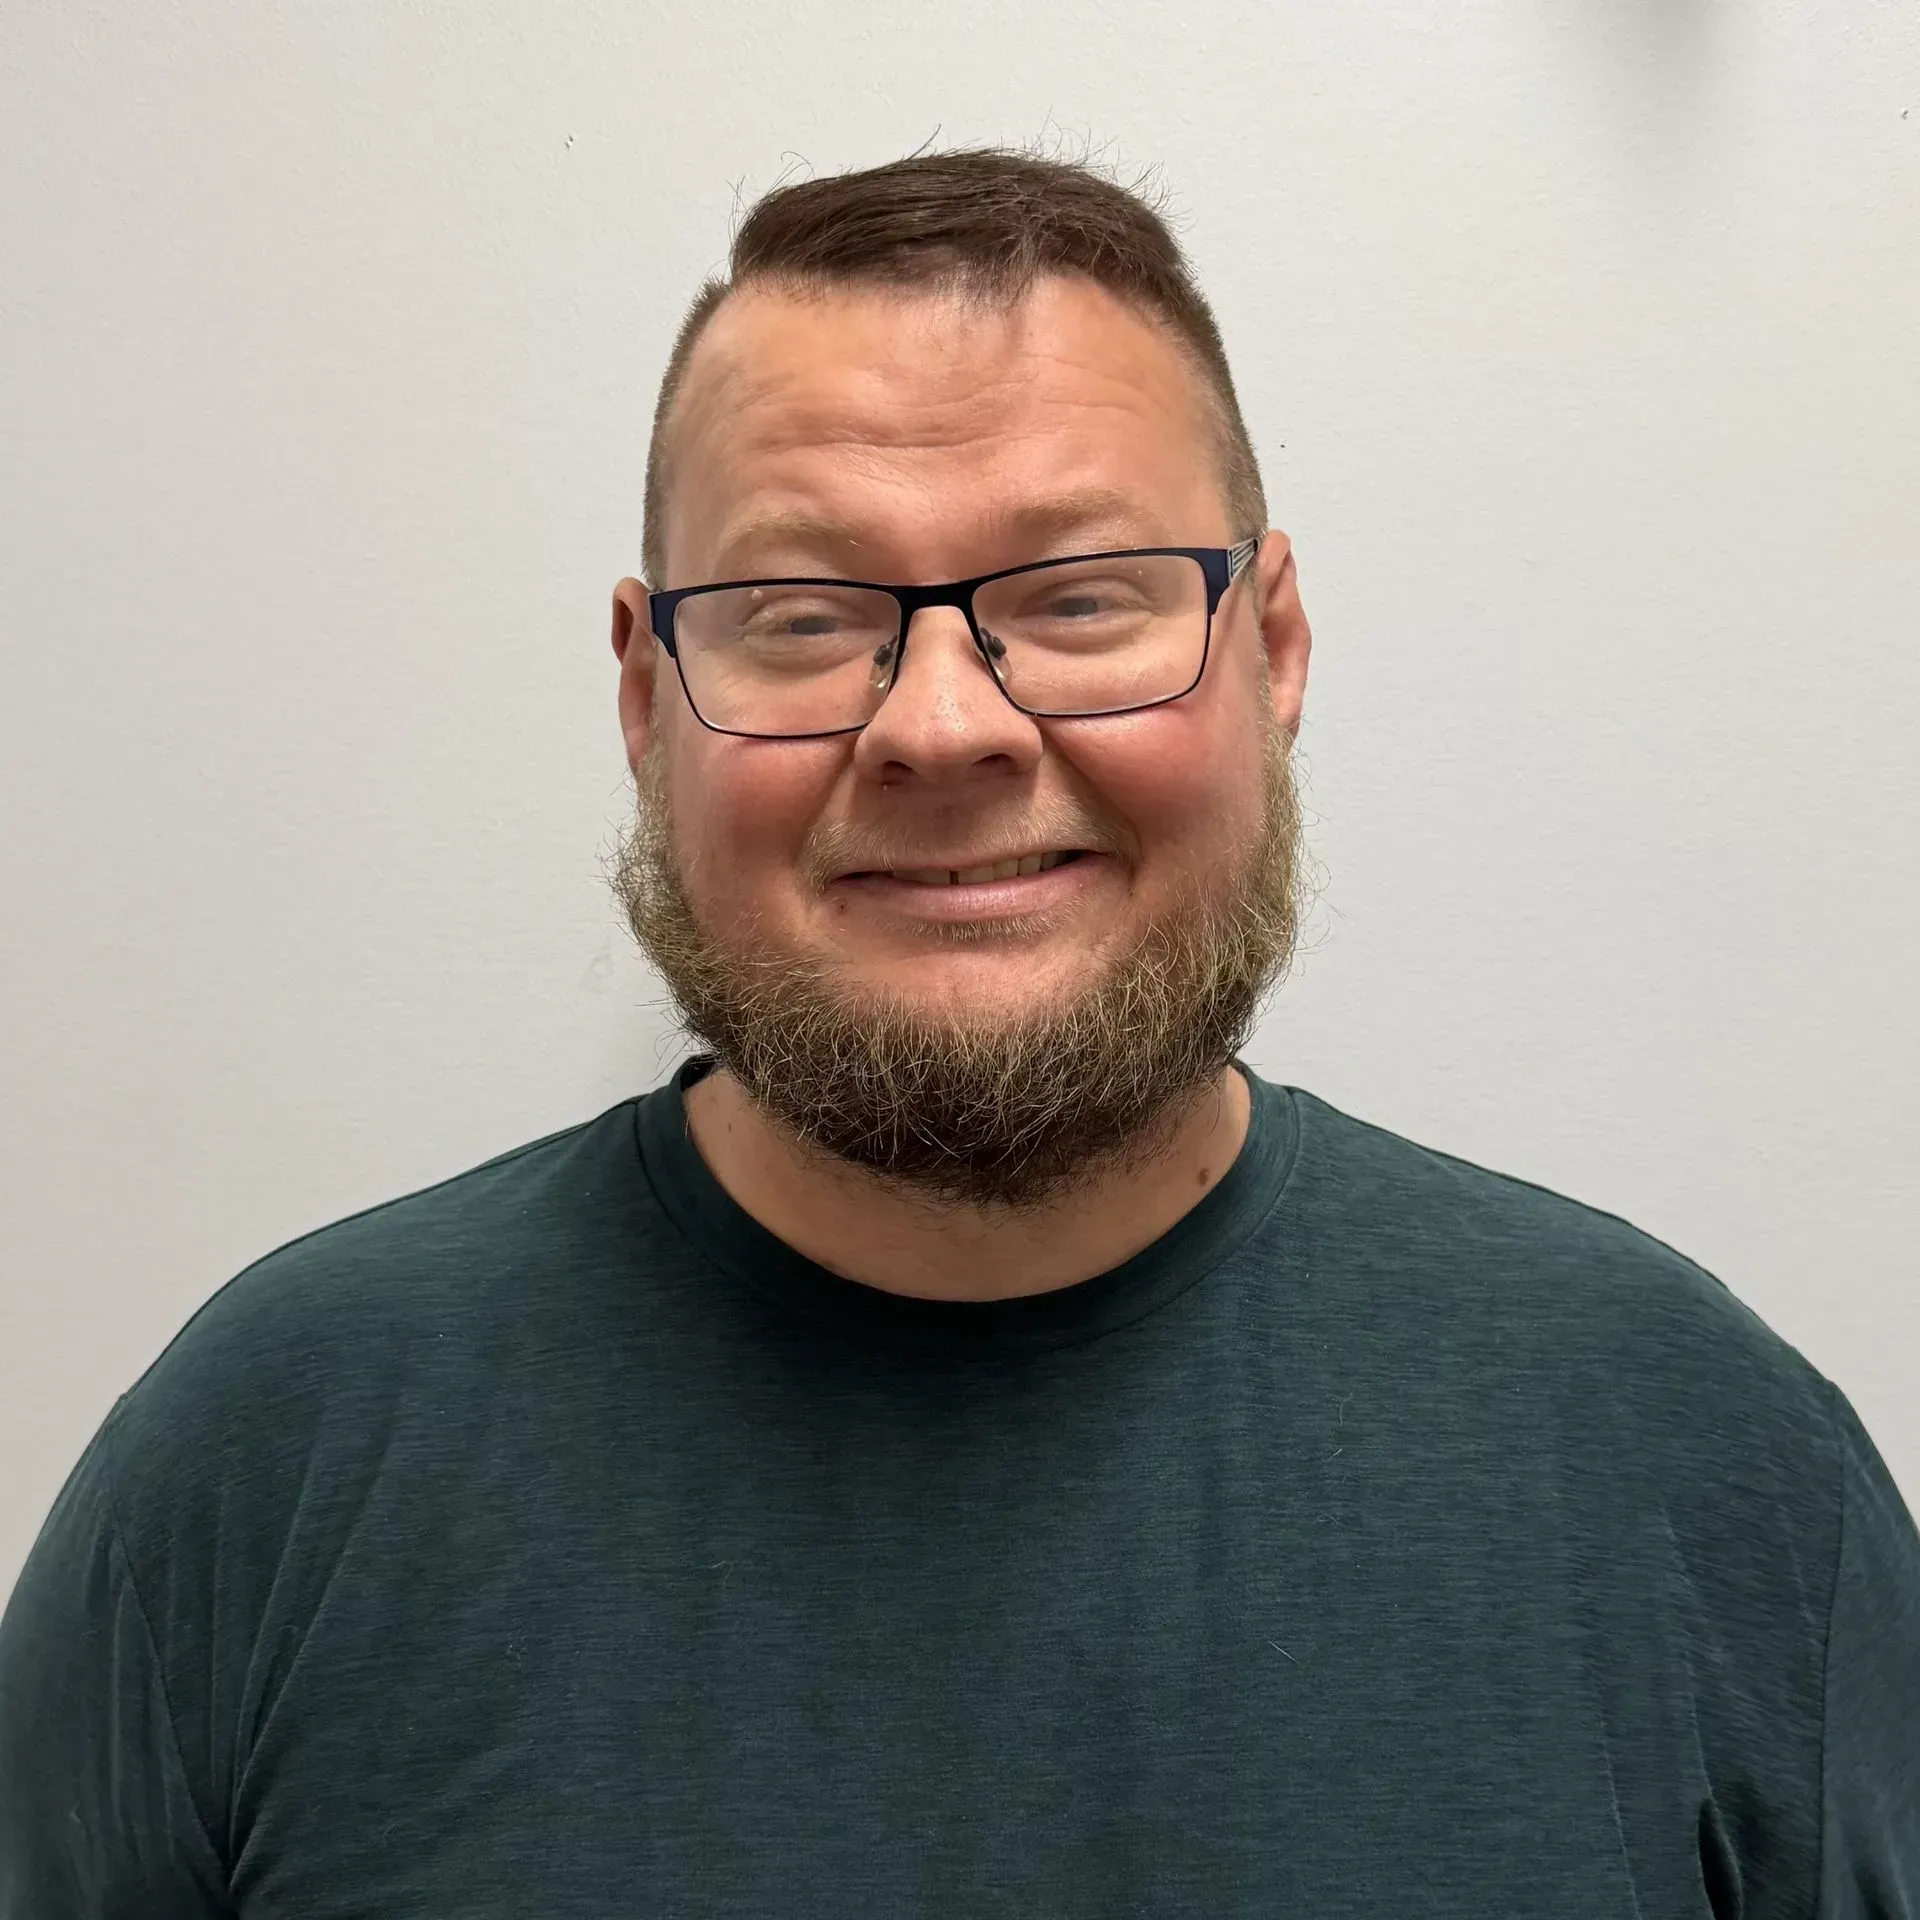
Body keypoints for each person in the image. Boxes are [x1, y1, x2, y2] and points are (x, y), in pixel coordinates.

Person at [1, 147, 1914, 1918]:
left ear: (1277, 646)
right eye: (800, 612)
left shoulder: (1696, 1463)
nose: (939, 726)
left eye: (1079, 599)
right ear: (646, 694)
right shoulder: (269, 1468)